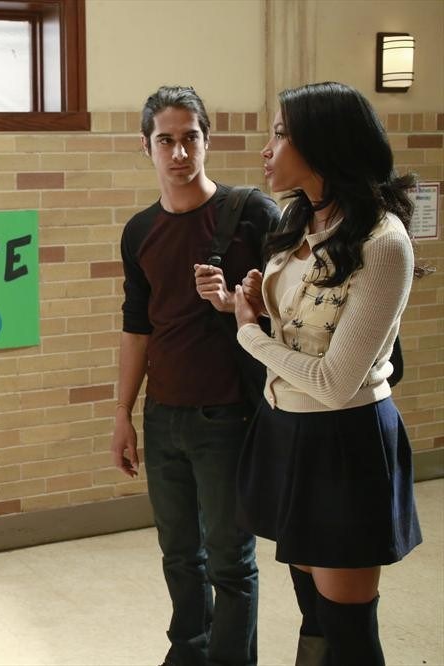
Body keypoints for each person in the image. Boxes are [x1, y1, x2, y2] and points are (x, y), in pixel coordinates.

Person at [234, 81, 423, 666]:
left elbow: (337, 382)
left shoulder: (383, 243)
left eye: (282, 133)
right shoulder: (301, 220)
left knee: (347, 629)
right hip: (287, 429)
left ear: (325, 144)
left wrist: (248, 334)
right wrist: (260, 311)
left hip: (343, 439)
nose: (267, 148)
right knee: (313, 612)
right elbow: (305, 327)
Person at [112, 86, 281, 666]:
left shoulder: (253, 213)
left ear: (207, 140)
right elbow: (138, 328)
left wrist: (238, 303)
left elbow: (292, 309)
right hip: (164, 416)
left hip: (229, 414)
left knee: (231, 558)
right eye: (166, 141)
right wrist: (122, 415)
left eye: (190, 138)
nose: (179, 152)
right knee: (179, 553)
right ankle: (189, 650)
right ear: (147, 148)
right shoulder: (139, 232)